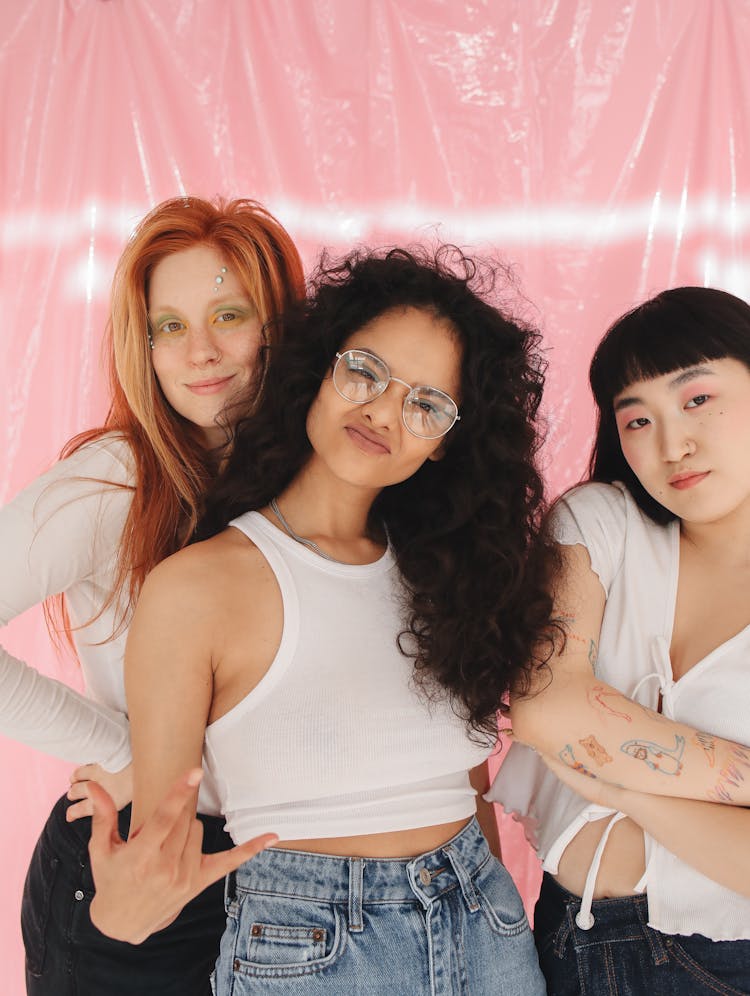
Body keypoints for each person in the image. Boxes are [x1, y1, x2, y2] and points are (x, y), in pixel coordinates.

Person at [86, 245, 555, 994]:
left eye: (426, 404)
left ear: (446, 445)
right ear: (319, 369)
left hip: (484, 926)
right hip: (307, 948)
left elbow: (469, 795)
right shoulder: (195, 589)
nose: (382, 410)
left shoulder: (451, 583)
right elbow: (149, 876)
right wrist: (120, 909)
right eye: (365, 371)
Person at [10, 194, 305, 996]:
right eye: (168, 325)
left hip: (285, 883)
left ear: (282, 325)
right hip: (135, 869)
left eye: (230, 314)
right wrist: (119, 751)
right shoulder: (113, 478)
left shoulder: (312, 485)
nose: (200, 351)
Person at [491, 286, 750, 995]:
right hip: (565, 945)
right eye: (637, 419)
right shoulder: (601, 523)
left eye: (697, 399)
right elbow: (548, 712)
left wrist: (632, 791)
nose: (673, 445)